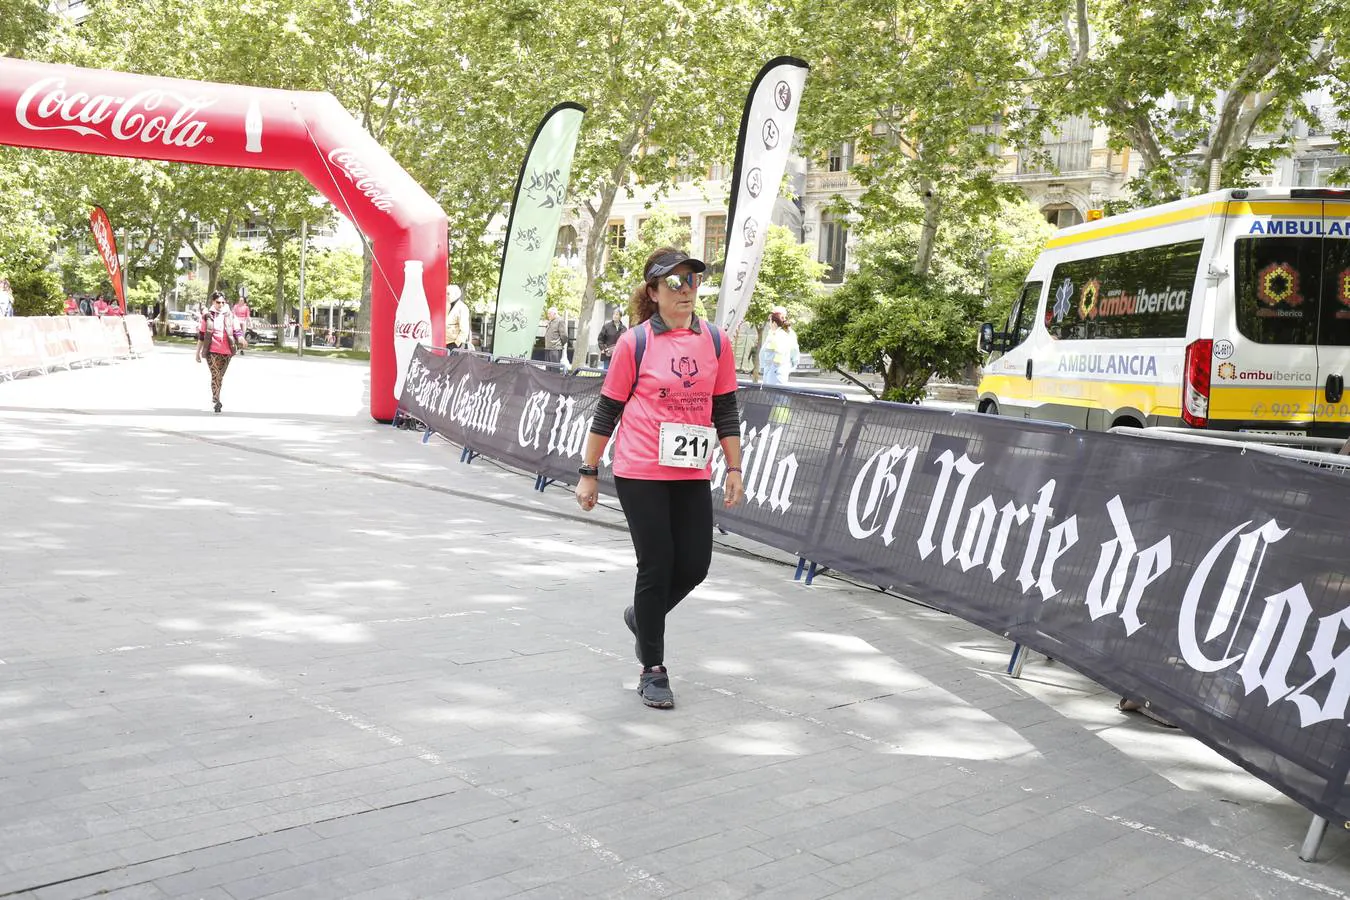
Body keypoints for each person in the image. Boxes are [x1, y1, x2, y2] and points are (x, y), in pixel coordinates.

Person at [575, 247, 746, 709]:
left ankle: (641, 618)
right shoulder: (636, 342)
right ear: (653, 292)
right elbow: (608, 408)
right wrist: (588, 472)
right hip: (640, 468)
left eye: (692, 280)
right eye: (674, 282)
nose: (686, 289)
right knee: (656, 563)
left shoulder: (715, 341)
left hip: (690, 469)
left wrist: (734, 467)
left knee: (693, 565)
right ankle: (653, 668)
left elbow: (725, 407)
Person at [195, 290, 245, 413]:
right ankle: (217, 399)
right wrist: (198, 353)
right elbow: (202, 336)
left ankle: (216, 396)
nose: (221, 305)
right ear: (213, 302)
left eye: (223, 302)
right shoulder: (207, 317)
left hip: (227, 350)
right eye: (218, 302)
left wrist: (241, 338)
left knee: (220, 376)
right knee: (215, 374)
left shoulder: (230, 315)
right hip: (212, 350)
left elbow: (236, 330)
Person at [759, 305, 800, 385]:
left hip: (775, 373)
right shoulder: (785, 333)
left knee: (775, 395)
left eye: (770, 320)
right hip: (777, 372)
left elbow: (763, 353)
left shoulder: (777, 334)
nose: (769, 323)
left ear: (774, 322)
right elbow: (795, 353)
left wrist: (763, 367)